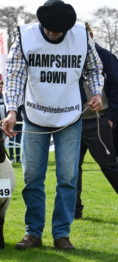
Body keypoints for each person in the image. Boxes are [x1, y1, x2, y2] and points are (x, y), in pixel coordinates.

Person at [2, 0, 103, 251]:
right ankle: (33, 232)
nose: (53, 33)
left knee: (68, 178)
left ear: (68, 28)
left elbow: (94, 68)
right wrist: (12, 111)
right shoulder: (25, 38)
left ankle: (62, 234)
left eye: (59, 31)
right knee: (32, 177)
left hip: (69, 115)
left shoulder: (81, 37)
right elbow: (14, 76)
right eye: (49, 29)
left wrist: (97, 92)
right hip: (35, 114)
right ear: (41, 24)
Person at [75, 22, 118, 219]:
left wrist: (110, 118)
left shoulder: (106, 57)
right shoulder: (71, 55)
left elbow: (117, 87)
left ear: (90, 34)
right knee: (71, 168)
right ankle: (74, 211)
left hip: (98, 121)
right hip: (72, 122)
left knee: (109, 165)